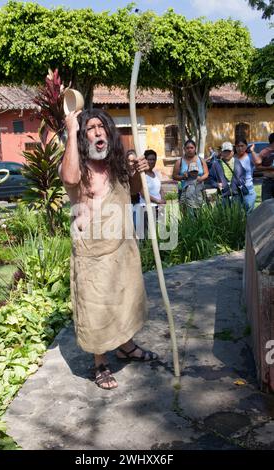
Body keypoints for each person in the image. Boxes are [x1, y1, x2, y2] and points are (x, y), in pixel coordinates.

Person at [59, 108, 158, 390]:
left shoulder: (117, 166)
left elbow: (136, 192)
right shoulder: (77, 164)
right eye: (90, 128)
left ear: (109, 133)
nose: (98, 132)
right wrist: (70, 130)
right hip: (92, 253)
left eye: (101, 127)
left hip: (121, 248)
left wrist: (138, 172)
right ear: (83, 136)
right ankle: (100, 362)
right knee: (96, 309)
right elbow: (68, 178)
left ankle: (126, 346)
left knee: (125, 299)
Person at [173, 139, 209, 210]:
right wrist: (183, 177)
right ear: (184, 149)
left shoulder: (201, 160)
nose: (189, 150)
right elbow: (174, 176)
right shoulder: (179, 161)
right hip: (185, 193)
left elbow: (206, 173)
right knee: (188, 216)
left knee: (200, 214)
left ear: (195, 148)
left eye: (191, 148)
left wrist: (201, 179)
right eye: (187, 148)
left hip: (199, 192)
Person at [234, 138, 260, 214]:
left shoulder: (250, 156)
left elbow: (258, 162)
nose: (240, 148)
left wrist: (252, 150)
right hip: (235, 190)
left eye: (242, 146)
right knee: (236, 215)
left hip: (248, 190)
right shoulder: (232, 157)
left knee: (249, 215)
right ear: (235, 147)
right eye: (237, 146)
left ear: (246, 146)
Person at [253, 133, 274, 201]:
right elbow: (257, 167)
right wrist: (270, 168)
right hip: (268, 181)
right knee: (266, 204)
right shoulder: (264, 152)